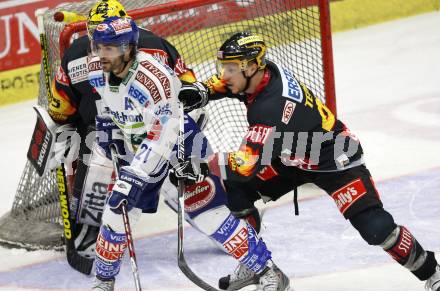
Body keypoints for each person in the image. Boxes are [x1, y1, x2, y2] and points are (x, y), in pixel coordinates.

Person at [178, 31, 440, 291]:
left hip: (332, 156)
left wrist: (203, 164)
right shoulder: (264, 73)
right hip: (292, 153)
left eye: (231, 68)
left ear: (252, 67)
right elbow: (228, 84)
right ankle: (257, 265)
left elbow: (246, 163)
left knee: (376, 228)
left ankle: (433, 272)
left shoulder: (270, 108)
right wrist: (203, 90)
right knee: (234, 188)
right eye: (225, 67)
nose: (225, 75)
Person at [88, 17, 290, 291]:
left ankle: (269, 273)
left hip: (179, 146)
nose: (101, 55)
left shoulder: (153, 78)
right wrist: (108, 125)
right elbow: (108, 102)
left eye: (108, 49)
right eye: (98, 47)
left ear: (127, 49)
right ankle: (103, 283)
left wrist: (135, 176)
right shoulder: (96, 69)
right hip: (138, 148)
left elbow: (164, 132)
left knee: (211, 217)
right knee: (115, 213)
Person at [47, 0, 208, 260]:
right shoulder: (154, 44)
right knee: (173, 176)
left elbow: (60, 108)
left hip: (116, 137)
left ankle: (90, 232)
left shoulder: (76, 53)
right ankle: (204, 212)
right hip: (145, 137)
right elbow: (188, 87)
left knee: (89, 159)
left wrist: (65, 126)